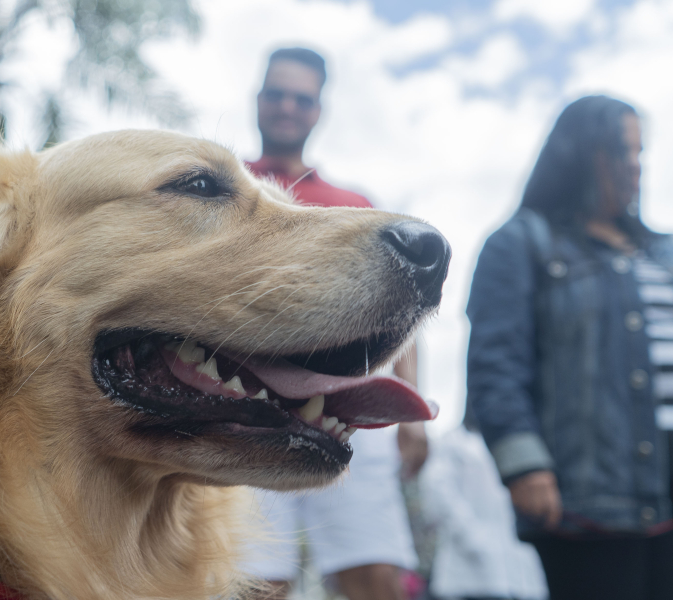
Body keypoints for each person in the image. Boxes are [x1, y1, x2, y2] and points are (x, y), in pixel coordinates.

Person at [467, 95, 673, 600]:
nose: (635, 167)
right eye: (622, 151)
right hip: (589, 500)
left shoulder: (664, 250)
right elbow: (496, 365)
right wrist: (524, 464)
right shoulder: (521, 243)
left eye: (641, 152)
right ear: (582, 153)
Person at [244, 46, 426, 600]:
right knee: (253, 580)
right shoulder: (227, 195)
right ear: (258, 100)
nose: (287, 107)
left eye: (302, 98)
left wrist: (412, 416)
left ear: (317, 110)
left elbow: (404, 317)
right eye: (277, 93)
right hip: (245, 402)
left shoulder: (354, 206)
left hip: (350, 407)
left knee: (374, 575)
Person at [420, 412, 548, 600]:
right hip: (468, 571)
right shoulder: (453, 442)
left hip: (517, 570)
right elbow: (439, 493)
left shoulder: (516, 445)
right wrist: (474, 538)